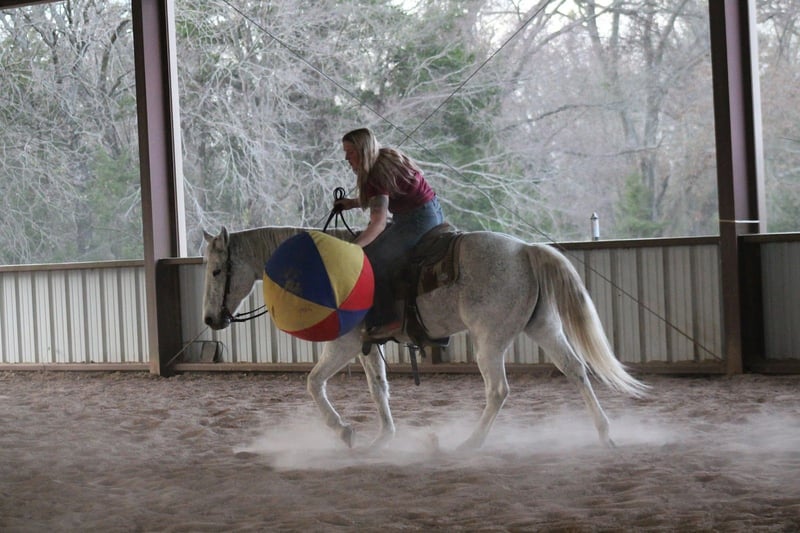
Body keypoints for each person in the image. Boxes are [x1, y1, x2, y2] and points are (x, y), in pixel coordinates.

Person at [334, 127, 445, 339]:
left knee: (371, 260)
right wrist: (352, 203)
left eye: (350, 152)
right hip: (431, 210)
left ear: (363, 150)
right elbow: (384, 198)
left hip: (416, 220)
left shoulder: (376, 175)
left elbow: (378, 224)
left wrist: (352, 249)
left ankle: (387, 320)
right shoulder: (385, 157)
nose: (346, 158)